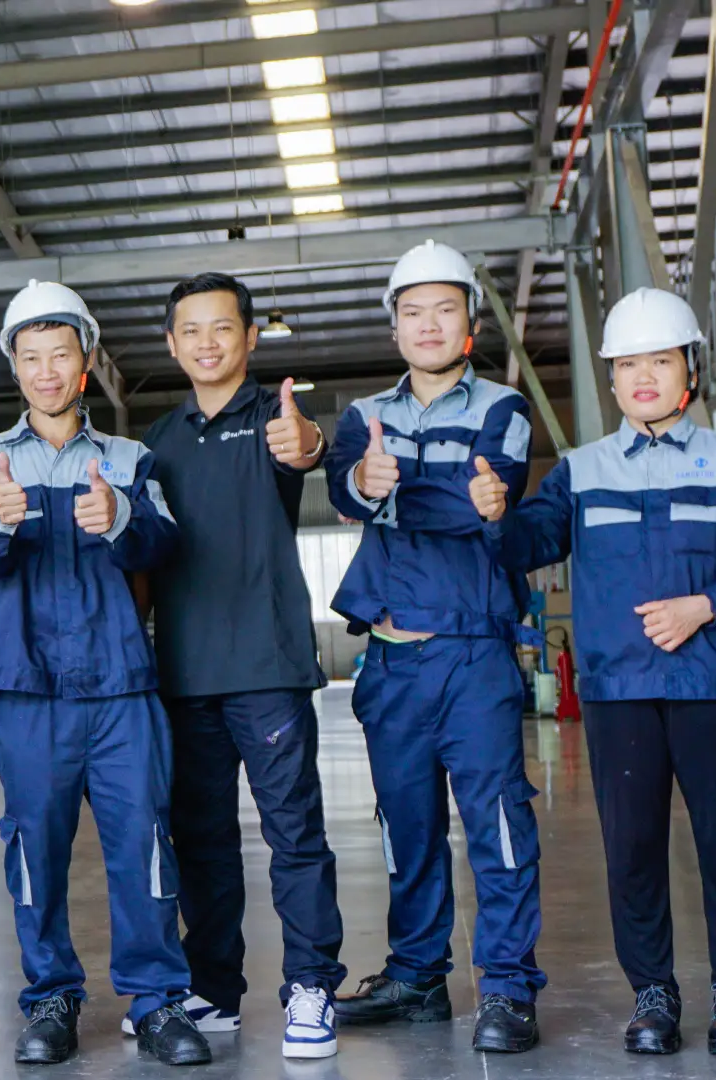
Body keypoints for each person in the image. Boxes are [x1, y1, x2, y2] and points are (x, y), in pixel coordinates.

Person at [469, 286, 716, 1057]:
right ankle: (653, 995)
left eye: (661, 360)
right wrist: (496, 516)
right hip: (619, 690)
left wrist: (706, 605)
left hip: (713, 684)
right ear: (612, 379)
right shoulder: (581, 472)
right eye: (628, 364)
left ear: (690, 370)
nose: (644, 376)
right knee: (634, 850)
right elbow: (531, 544)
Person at [0, 281, 211, 1068]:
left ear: (85, 359)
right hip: (29, 687)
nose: (46, 371)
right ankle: (51, 997)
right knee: (35, 849)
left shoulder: (128, 459)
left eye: (60, 354)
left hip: (122, 686)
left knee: (144, 844)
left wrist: (122, 520)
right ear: (14, 367)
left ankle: (157, 1002)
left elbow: (165, 546)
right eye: (31, 357)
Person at [323, 240, 546, 1053]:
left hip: (474, 658)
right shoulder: (363, 417)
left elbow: (487, 500)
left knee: (498, 823)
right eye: (411, 311)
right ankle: (418, 976)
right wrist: (365, 486)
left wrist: (390, 494)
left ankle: (508, 988)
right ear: (394, 328)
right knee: (406, 827)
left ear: (470, 323)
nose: (427, 324)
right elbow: (343, 485)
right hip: (391, 662)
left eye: (444, 309)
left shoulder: (504, 407)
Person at [139, 272, 347, 1059]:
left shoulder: (274, 420)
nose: (207, 343)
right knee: (201, 842)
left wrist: (310, 442)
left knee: (295, 834)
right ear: (172, 344)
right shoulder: (156, 443)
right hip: (184, 672)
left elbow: (307, 449)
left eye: (222, 327)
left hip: (267, 666)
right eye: (190, 330)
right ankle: (214, 988)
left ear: (251, 337)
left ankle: (311, 985)